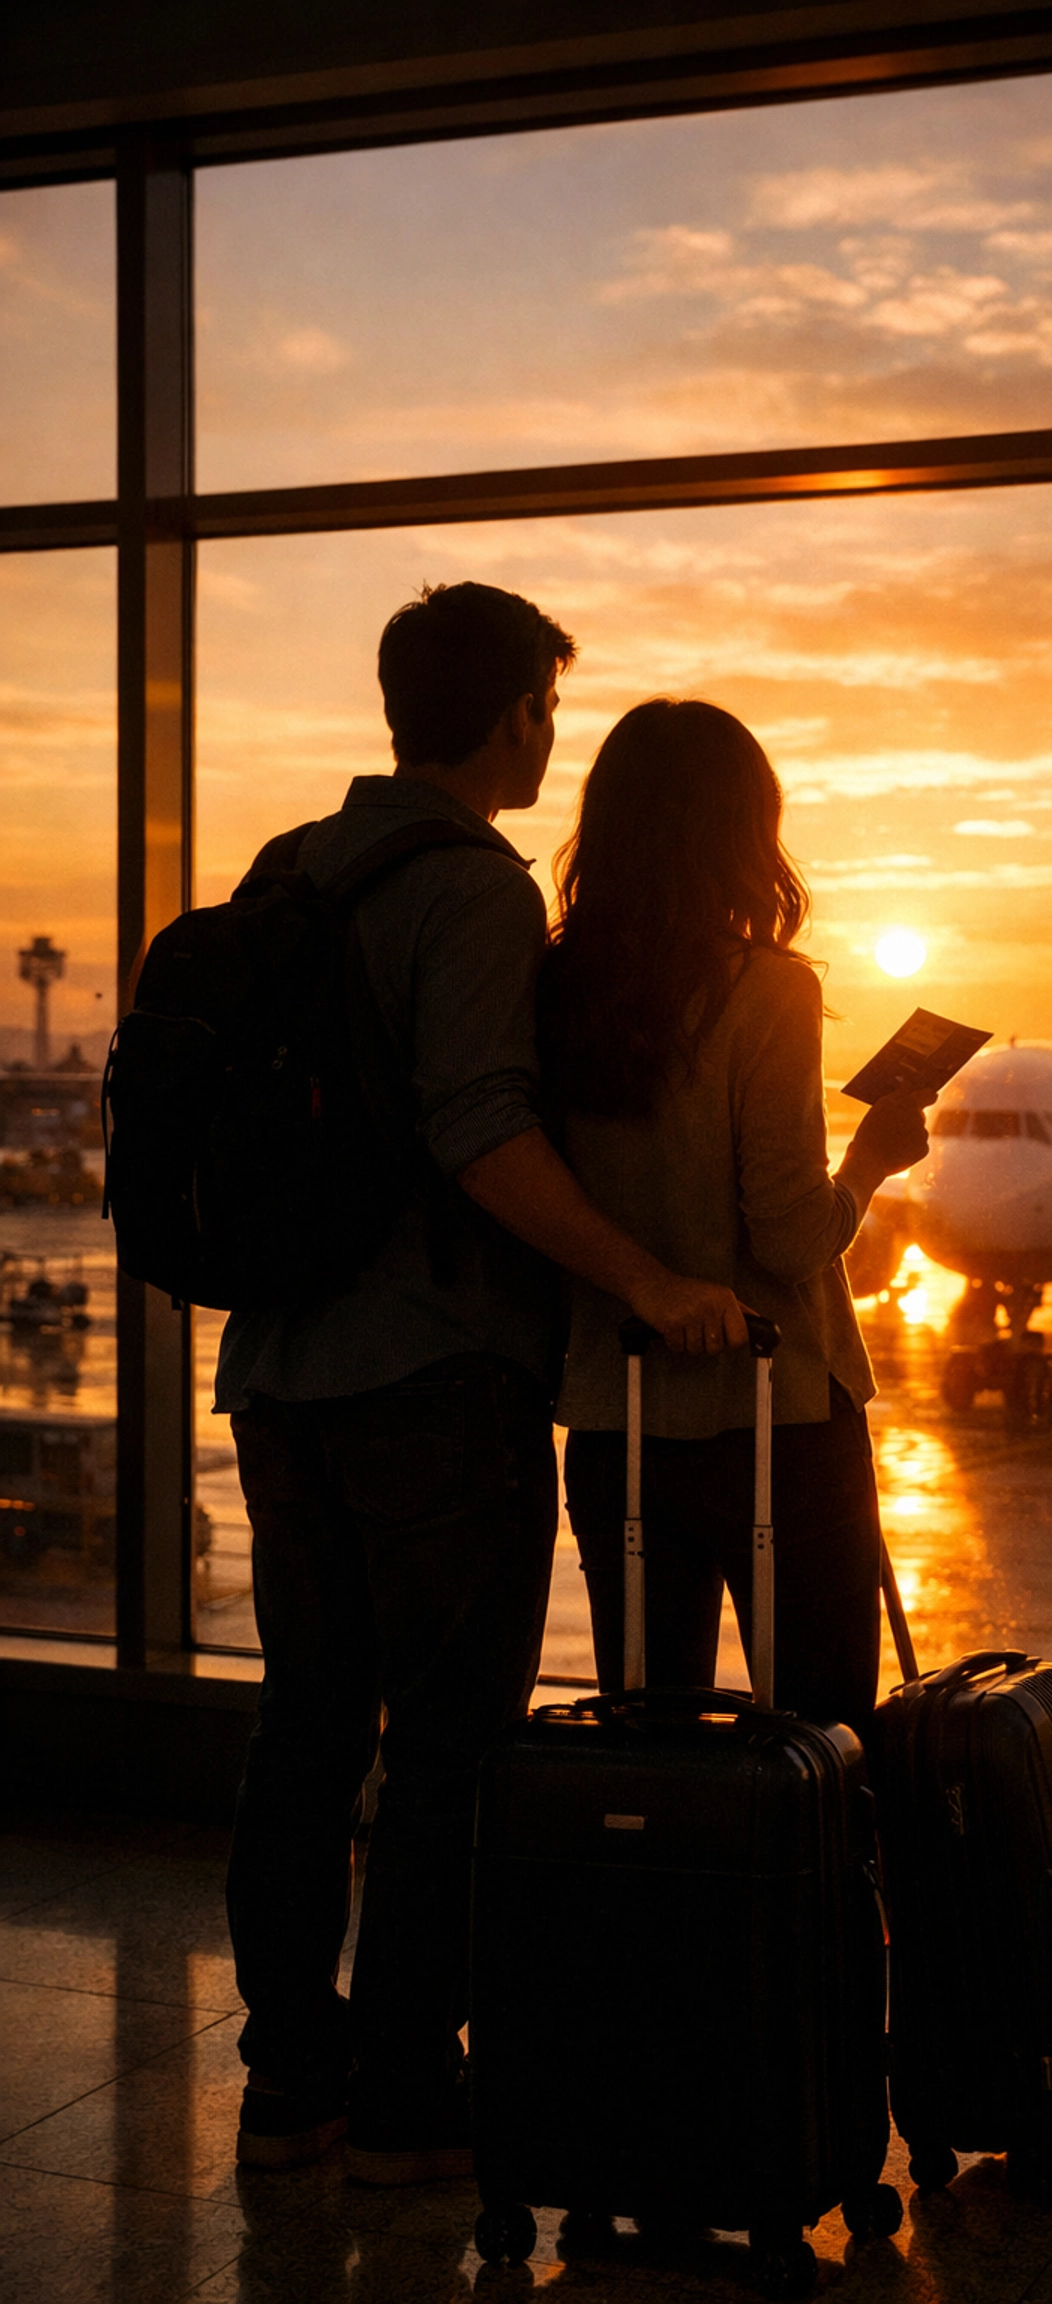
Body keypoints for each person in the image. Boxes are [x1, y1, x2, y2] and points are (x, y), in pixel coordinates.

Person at [218, 587, 746, 2185]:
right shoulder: (473, 893)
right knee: (447, 1742)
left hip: (279, 1371)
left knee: (306, 1729)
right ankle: (400, 2094)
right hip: (434, 1383)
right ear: (517, 715)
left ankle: (286, 2081)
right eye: (546, 711)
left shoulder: (289, 870)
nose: (552, 737)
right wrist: (645, 1276)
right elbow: (480, 1131)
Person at [542, 697, 928, 1733]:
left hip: (617, 1418)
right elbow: (794, 1234)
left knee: (650, 1726)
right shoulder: (766, 991)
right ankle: (810, 1903)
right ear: (742, 831)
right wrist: (875, 1162)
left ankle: (672, 1901)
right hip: (780, 1412)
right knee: (820, 1727)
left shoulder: (552, 986)